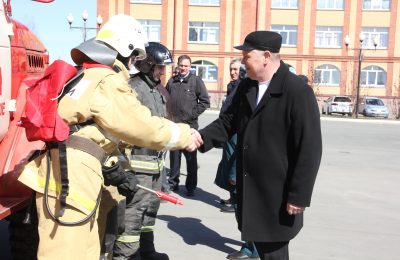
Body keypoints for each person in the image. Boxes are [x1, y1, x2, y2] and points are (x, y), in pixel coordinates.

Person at [17, 15, 200, 260]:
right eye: (135, 56)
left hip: (69, 172)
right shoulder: (106, 80)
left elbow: (94, 132)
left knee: (85, 251)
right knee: (69, 254)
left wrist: (116, 169)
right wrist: (184, 134)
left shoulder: (87, 75)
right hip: (73, 180)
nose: (134, 63)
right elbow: (138, 124)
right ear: (125, 49)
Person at [197, 31, 322, 260]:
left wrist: (299, 195)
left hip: (278, 193)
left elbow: (309, 148)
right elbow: (228, 122)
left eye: (246, 56)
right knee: (262, 249)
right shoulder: (247, 87)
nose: (243, 61)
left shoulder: (297, 92)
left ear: (266, 56)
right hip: (250, 187)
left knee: (274, 253)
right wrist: (199, 137)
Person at [112, 42, 174, 260]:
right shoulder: (134, 88)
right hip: (138, 167)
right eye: (160, 67)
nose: (163, 72)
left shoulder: (154, 89)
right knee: (133, 214)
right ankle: (126, 256)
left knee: (149, 212)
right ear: (147, 65)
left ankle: (146, 251)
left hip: (155, 166)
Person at [166, 54, 210, 196]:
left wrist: (191, 115)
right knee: (174, 158)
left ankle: (191, 187)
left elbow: (204, 102)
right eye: (181, 66)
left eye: (186, 66)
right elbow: (166, 99)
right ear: (177, 66)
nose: (183, 68)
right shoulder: (172, 81)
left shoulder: (196, 81)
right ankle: (173, 184)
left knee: (191, 159)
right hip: (174, 127)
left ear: (190, 67)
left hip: (190, 128)